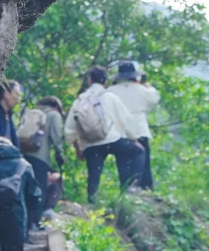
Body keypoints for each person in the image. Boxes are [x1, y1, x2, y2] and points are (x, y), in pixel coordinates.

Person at [64, 65, 143, 201]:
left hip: (90, 144)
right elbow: (126, 120)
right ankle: (128, 190)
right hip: (111, 140)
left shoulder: (80, 100)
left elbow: (70, 130)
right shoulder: (109, 97)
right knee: (137, 151)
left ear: (90, 80)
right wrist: (133, 138)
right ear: (105, 82)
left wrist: (78, 149)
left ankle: (91, 203)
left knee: (93, 176)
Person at [109, 61, 160, 190]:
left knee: (123, 163)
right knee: (144, 163)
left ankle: (125, 189)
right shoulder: (142, 90)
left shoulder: (111, 91)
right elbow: (154, 99)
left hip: (120, 132)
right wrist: (148, 86)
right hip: (140, 130)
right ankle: (144, 189)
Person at [35, 96, 66, 217]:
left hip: (24, 156)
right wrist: (60, 153)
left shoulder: (33, 113)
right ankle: (36, 221)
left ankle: (29, 223)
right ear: (56, 107)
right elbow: (56, 137)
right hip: (41, 157)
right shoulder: (54, 114)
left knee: (29, 188)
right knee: (40, 189)